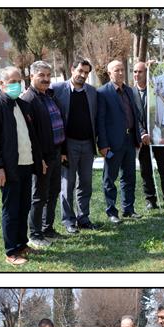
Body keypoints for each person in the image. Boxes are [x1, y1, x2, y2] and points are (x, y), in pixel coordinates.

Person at [0, 66, 44, 266]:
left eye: (19, 81)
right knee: (11, 210)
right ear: (1, 84)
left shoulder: (22, 105)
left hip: (26, 164)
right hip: (7, 168)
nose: (18, 85)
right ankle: (11, 252)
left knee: (24, 206)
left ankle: (22, 244)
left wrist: (39, 159)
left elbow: (32, 137)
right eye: (13, 81)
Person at [97, 60, 149, 224]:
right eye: (116, 70)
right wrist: (103, 145)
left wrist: (138, 136)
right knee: (110, 179)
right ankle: (112, 212)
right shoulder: (103, 93)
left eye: (122, 70)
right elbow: (101, 121)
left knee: (129, 177)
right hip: (112, 144)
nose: (120, 73)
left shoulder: (129, 91)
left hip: (130, 141)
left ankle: (129, 209)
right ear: (109, 73)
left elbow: (135, 116)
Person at [21, 61, 65, 248]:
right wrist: (38, 159)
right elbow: (28, 136)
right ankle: (35, 234)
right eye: (41, 75)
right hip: (41, 157)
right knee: (39, 196)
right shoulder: (28, 100)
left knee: (53, 192)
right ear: (32, 76)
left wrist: (62, 152)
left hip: (55, 153)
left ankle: (48, 228)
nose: (46, 79)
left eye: (48, 75)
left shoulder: (49, 96)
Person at [52, 58, 99, 233]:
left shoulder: (93, 92)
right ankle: (68, 220)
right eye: (80, 70)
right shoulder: (56, 90)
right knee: (68, 184)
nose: (83, 75)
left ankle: (83, 218)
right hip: (68, 144)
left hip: (87, 144)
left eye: (86, 72)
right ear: (72, 69)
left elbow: (97, 118)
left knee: (85, 183)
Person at [133, 62, 164, 210]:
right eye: (135, 72)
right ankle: (150, 200)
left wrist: (156, 67)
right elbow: (133, 117)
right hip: (142, 139)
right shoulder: (131, 93)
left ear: (147, 73)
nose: (137, 75)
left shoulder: (156, 89)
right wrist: (142, 133)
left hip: (159, 135)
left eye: (140, 72)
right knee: (145, 170)